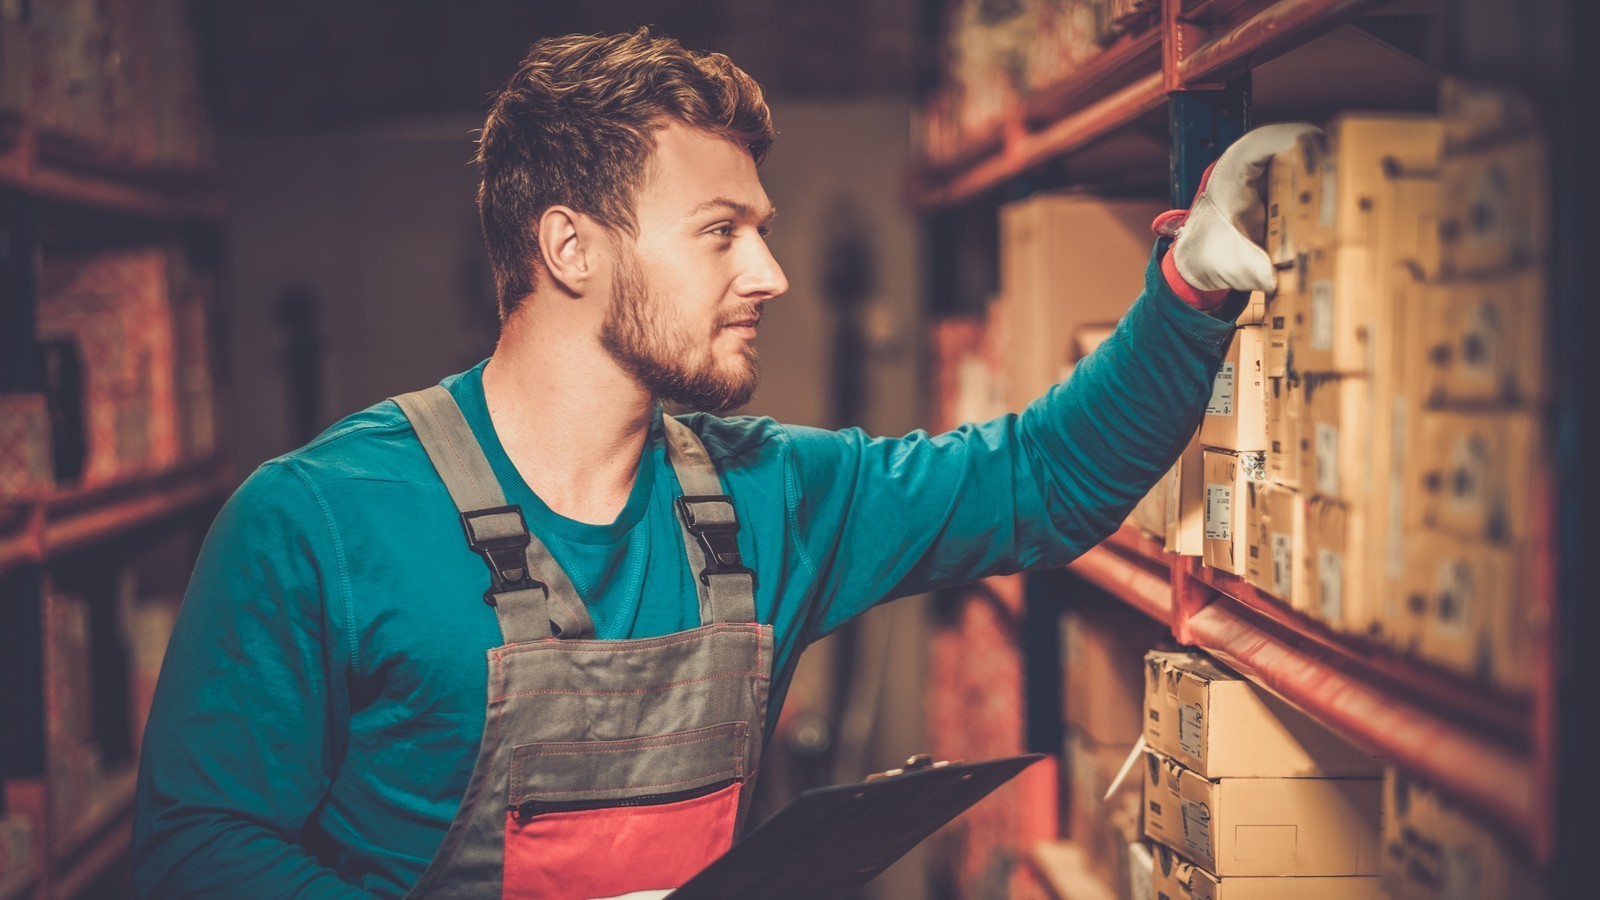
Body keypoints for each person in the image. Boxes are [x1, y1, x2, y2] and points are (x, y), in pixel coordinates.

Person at [131, 27, 1311, 900]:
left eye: (762, 228)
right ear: (570, 247)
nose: (768, 273)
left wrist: (1190, 288)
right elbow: (194, 857)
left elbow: (1036, 485)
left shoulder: (767, 497)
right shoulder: (317, 523)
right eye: (720, 232)